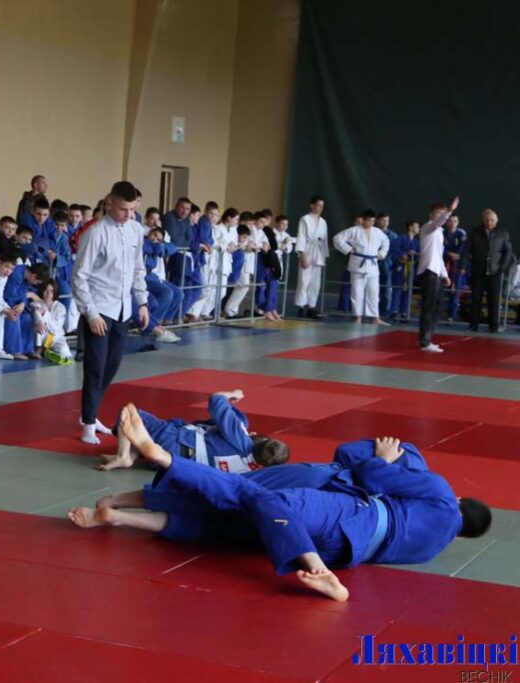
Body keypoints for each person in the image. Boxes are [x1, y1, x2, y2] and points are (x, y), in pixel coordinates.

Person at [70, 405, 492, 602]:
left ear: (461, 501)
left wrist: (382, 459)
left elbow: (368, 473)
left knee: (251, 495)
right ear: (462, 537)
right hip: (350, 549)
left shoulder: (441, 494)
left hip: (352, 515)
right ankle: (119, 516)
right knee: (228, 524)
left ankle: (162, 459)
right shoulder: (431, 549)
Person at [72, 181, 149, 445]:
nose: (129, 215)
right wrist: (91, 313)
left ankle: (90, 412)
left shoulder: (136, 230)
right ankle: (88, 423)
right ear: (110, 204)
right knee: (95, 367)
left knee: (112, 365)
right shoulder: (95, 233)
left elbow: (138, 269)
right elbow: (79, 276)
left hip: (123, 308)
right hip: (100, 307)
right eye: (124, 209)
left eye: (133, 209)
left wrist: (142, 302)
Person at [99, 389, 289, 472]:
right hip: (172, 465)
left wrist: (232, 394)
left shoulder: (241, 437)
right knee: (148, 431)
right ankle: (133, 454)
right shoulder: (251, 472)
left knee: (128, 413)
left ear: (261, 440)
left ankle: (124, 456)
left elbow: (216, 400)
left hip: (173, 443)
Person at [414, 198, 459, 351]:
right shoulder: (428, 227)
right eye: (437, 213)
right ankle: (424, 341)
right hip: (428, 271)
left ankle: (427, 337)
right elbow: (439, 222)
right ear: (431, 214)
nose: (440, 216)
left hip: (436, 272)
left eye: (442, 213)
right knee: (429, 306)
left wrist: (445, 274)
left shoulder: (439, 232)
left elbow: (438, 255)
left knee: (439, 306)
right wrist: (450, 210)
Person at [333, 209, 391, 325]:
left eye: (373, 221)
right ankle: (357, 317)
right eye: (369, 221)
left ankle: (375, 317)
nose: (371, 223)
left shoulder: (377, 232)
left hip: (372, 265)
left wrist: (381, 254)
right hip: (357, 264)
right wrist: (348, 249)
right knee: (357, 292)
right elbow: (337, 238)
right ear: (363, 220)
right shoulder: (354, 230)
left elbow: (386, 242)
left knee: (373, 292)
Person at [461, 209, 515, 333]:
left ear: (496, 220)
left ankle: (493, 327)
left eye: (492, 220)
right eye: (487, 220)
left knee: (494, 301)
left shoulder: (503, 233)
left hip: (495, 272)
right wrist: (462, 266)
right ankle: (473, 325)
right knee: (475, 299)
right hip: (478, 271)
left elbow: (508, 252)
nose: (489, 222)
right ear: (482, 220)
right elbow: (466, 250)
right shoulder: (475, 232)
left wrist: (502, 268)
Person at [294, 195, 328, 319]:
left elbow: (324, 240)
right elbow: (301, 236)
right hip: (307, 250)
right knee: (304, 280)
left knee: (315, 282)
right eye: (318, 205)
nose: (320, 208)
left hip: (318, 252)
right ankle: (301, 306)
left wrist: (324, 255)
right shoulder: (305, 219)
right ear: (312, 205)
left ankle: (311, 306)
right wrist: (302, 254)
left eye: (322, 206)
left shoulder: (323, 221)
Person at [30, 280, 72, 363]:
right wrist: (39, 321)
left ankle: (45, 350)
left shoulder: (60, 307)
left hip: (56, 337)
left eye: (51, 291)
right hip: (41, 336)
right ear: (42, 291)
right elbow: (36, 313)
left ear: (55, 292)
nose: (48, 294)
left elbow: (55, 328)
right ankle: (39, 349)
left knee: (64, 352)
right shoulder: (37, 303)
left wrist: (44, 313)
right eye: (46, 290)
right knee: (40, 326)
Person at [443, 213, 467, 323]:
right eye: (450, 221)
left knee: (455, 289)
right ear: (446, 222)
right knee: (442, 288)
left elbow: (464, 248)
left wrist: (457, 255)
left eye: (455, 221)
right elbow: (440, 247)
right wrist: (448, 253)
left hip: (457, 264)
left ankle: (452, 315)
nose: (452, 224)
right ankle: (440, 312)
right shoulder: (442, 233)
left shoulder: (461, 233)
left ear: (458, 222)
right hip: (444, 263)